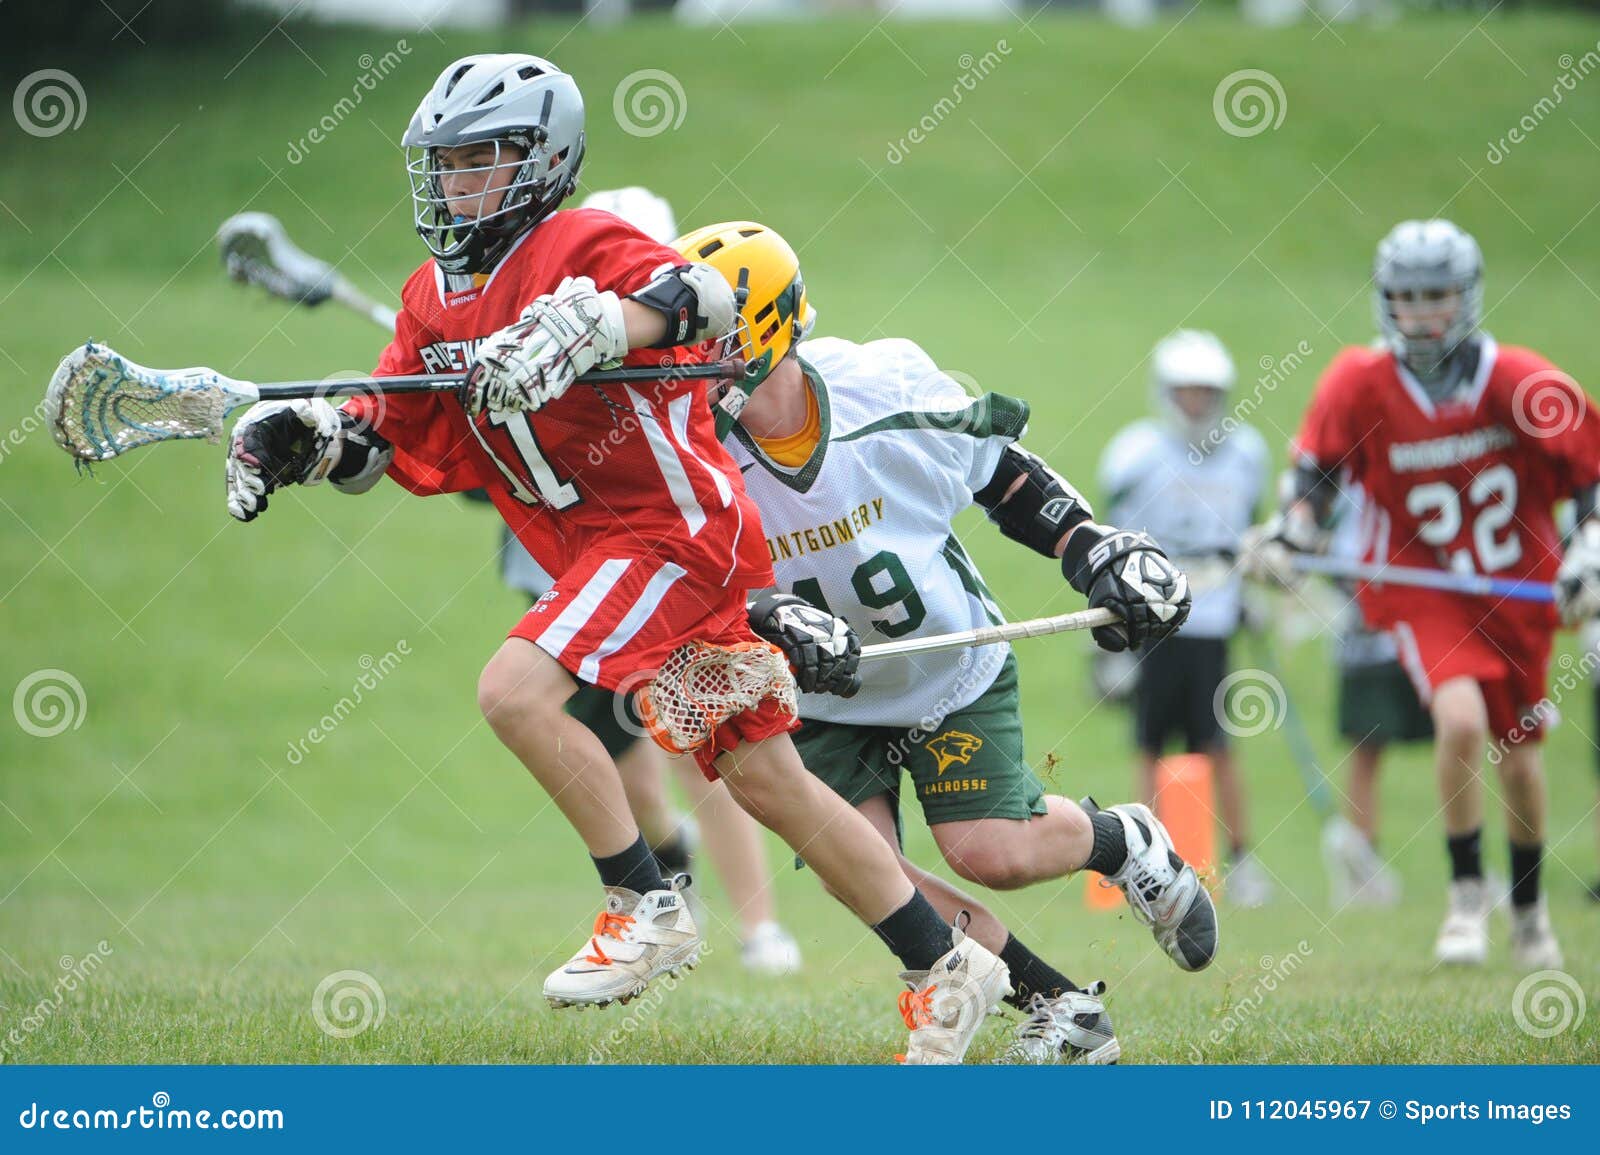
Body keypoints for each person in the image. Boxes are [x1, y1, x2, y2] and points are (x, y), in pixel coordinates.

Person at [221, 53, 1019, 1063]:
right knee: (769, 781)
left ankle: (645, 903)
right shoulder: (431, 298)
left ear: (542, 160)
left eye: (479, 160)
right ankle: (944, 964)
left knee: (513, 691)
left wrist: (599, 321)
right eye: (446, 163)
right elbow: (392, 429)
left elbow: (701, 297)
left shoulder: (580, 243)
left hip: (670, 535)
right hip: (611, 551)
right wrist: (310, 436)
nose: (455, 183)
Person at [675, 220, 1216, 1062]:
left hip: (944, 669)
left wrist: (1092, 547)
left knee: (989, 851)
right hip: (818, 695)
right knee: (865, 872)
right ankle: (1060, 1007)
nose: (687, 362)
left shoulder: (880, 389)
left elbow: (1001, 474)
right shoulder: (686, 445)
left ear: (768, 331)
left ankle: (1122, 840)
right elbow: (677, 573)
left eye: (710, 339)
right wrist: (766, 610)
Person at [1244, 218, 1600, 969]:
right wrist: (1291, 536)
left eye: (1436, 295)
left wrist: (1588, 555)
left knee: (1520, 760)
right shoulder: (1360, 381)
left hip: (1517, 591)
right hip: (1420, 588)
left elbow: (1590, 474)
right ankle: (1467, 895)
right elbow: (1317, 476)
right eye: (1406, 297)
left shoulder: (1519, 380)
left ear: (1466, 296)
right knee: (1460, 719)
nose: (1421, 313)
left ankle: (1529, 909)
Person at [483, 184, 803, 975]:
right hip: (565, 587)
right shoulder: (535, 337)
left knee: (709, 746)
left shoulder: (682, 364)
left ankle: (760, 928)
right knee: (625, 762)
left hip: (664, 571)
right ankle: (666, 877)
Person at [1098, 330, 1273, 907]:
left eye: (1206, 392)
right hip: (1154, 622)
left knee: (1217, 745)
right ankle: (1142, 862)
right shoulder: (1137, 454)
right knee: (1149, 745)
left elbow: (1247, 536)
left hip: (1214, 620)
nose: (1196, 403)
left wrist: (1250, 591)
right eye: (1187, 392)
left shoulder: (1245, 455)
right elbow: (1111, 544)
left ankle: (1241, 861)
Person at [1319, 482, 1421, 907]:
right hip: (1364, 643)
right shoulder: (1345, 488)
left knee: (1460, 736)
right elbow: (1325, 547)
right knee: (1366, 749)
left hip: (1422, 633)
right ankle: (1362, 864)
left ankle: (1471, 862)